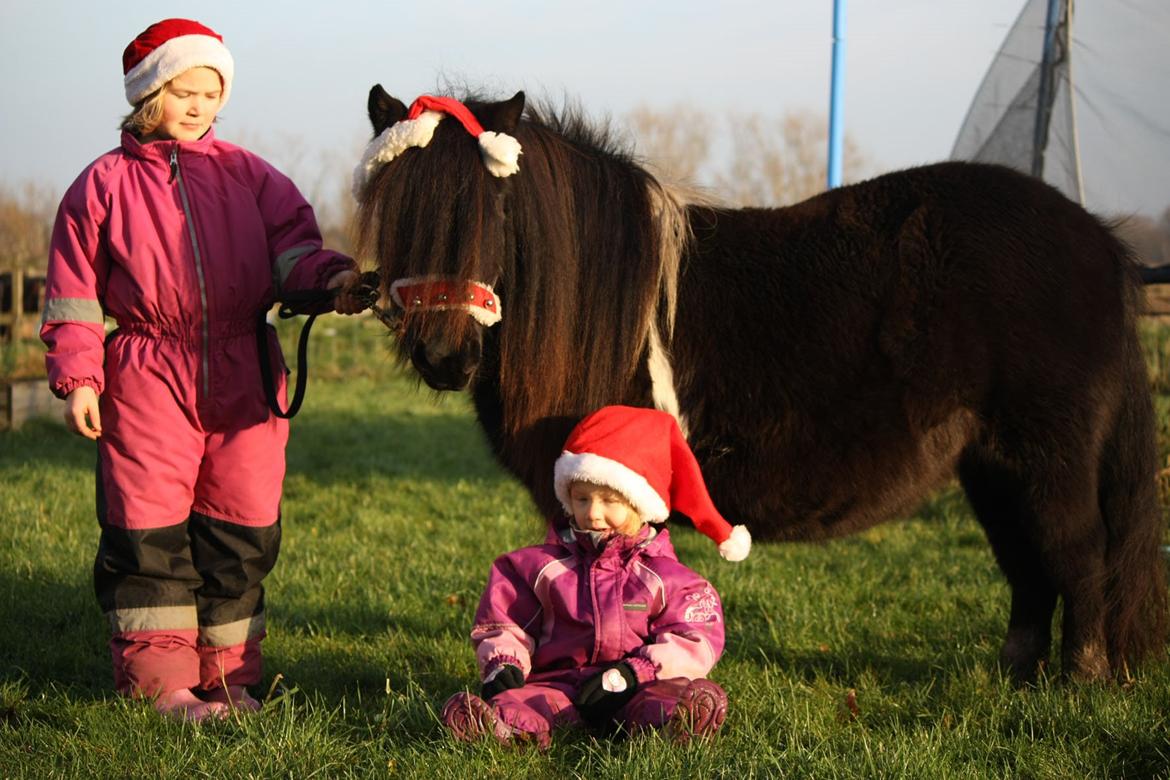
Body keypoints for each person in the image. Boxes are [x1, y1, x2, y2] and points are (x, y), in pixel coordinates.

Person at [40, 18, 364, 721]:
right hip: (148, 374)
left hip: (247, 369)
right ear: (149, 93)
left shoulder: (252, 175)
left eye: (211, 92)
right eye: (184, 91)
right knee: (147, 529)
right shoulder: (101, 185)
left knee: (241, 529)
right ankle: (161, 686)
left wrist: (337, 279)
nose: (199, 106)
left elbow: (294, 254)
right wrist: (80, 376)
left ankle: (228, 677)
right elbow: (73, 295)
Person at [441, 405, 752, 747]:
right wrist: (504, 663)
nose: (593, 513)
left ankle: (678, 720)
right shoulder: (536, 567)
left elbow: (693, 637)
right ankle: (502, 728)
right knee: (523, 701)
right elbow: (505, 620)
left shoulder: (671, 579)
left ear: (641, 505)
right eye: (582, 498)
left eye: (610, 500)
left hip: (635, 685)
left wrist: (637, 672)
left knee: (662, 699)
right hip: (557, 682)